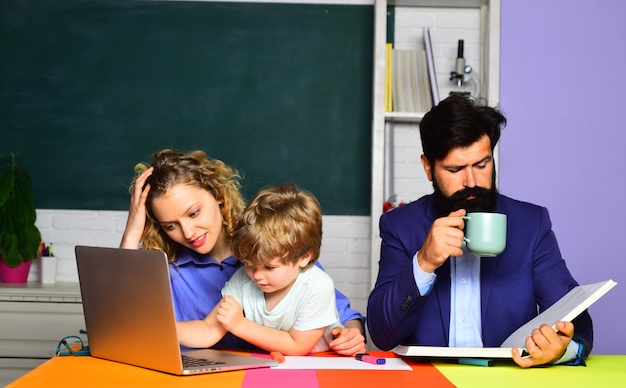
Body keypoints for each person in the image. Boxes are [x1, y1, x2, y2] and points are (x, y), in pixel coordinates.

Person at [366, 95, 593, 368]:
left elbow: (575, 319)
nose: (471, 181)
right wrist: (423, 262)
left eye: (482, 164)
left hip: (509, 381)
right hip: (432, 382)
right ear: (428, 167)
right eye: (455, 169)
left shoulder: (531, 225)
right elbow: (382, 334)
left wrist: (561, 349)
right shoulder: (400, 226)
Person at [120, 149, 365, 355]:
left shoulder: (273, 245)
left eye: (194, 213)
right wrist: (132, 230)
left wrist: (351, 334)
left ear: (217, 196)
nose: (188, 232)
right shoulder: (170, 271)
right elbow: (123, 318)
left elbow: (343, 316)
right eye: (170, 226)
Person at [177, 183, 348, 355]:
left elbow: (297, 346)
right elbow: (208, 331)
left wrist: (239, 324)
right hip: (277, 363)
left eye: (269, 267)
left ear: (304, 257)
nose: (257, 275)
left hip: (321, 361)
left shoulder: (317, 285)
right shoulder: (243, 279)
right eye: (249, 263)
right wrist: (166, 328)